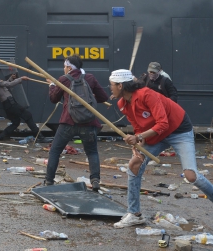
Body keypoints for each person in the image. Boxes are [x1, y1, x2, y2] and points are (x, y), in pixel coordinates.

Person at [108, 69, 213, 228]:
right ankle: (135, 214)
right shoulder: (122, 104)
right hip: (156, 134)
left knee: (191, 175)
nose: (110, 88)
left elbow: (163, 124)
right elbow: (137, 127)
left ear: (121, 85)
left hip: (179, 130)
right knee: (134, 164)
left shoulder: (147, 95)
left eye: (112, 85)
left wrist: (139, 137)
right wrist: (136, 146)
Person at [44, 55, 109, 190]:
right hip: (88, 123)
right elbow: (103, 97)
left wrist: (51, 85)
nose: (64, 69)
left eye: (64, 66)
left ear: (68, 67)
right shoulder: (90, 78)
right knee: (92, 152)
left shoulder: (64, 80)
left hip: (68, 122)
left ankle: (49, 181)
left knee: (55, 151)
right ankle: (95, 180)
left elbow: (53, 99)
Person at [0, 73, 49, 142]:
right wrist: (21, 79)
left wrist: (11, 79)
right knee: (28, 116)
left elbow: (6, 84)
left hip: (8, 104)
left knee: (16, 122)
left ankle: (0, 136)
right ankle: (40, 137)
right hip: (10, 103)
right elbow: (9, 85)